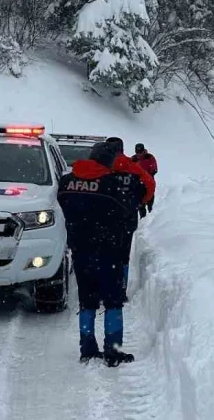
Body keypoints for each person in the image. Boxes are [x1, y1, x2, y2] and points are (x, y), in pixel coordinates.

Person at [57, 142, 141, 366]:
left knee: (87, 300)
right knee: (113, 301)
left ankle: (87, 347)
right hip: (109, 251)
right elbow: (127, 211)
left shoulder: (67, 182)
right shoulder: (111, 184)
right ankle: (113, 350)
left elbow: (62, 202)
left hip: (80, 249)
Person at [105, 137, 154, 300]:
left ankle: (103, 288)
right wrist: (140, 202)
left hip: (103, 218)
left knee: (103, 253)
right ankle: (120, 290)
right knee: (123, 254)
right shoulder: (133, 166)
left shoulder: (102, 167)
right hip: (127, 217)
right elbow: (150, 185)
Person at [131, 143, 158, 216]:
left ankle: (151, 213)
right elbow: (129, 170)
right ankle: (143, 218)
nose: (139, 154)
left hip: (149, 183)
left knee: (150, 199)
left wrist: (147, 175)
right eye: (137, 152)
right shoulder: (133, 159)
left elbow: (154, 169)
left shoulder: (150, 157)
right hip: (138, 184)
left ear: (144, 151)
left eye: (140, 152)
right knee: (140, 202)